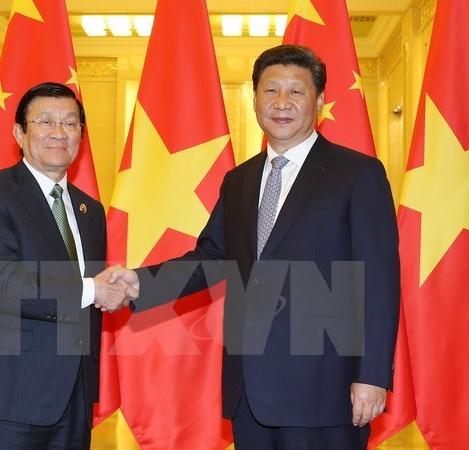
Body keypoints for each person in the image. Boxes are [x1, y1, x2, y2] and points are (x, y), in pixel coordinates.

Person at [103, 45, 400, 449]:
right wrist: (138, 283)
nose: (281, 102)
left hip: (324, 391)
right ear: (255, 97)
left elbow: (379, 282)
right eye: (270, 90)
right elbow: (211, 259)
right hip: (248, 393)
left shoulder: (357, 173)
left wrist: (372, 375)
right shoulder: (239, 181)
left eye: (295, 92)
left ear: (320, 101)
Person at [0, 82, 133, 449]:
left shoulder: (90, 210)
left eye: (70, 123)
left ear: (81, 135)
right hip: (9, 397)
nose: (58, 132)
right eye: (45, 121)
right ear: (19, 132)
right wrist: (93, 289)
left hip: (74, 400)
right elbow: (1, 283)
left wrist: (117, 289)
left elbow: (86, 300)